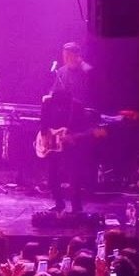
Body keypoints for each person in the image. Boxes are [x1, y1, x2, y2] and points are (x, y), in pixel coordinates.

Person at [39, 42, 95, 214]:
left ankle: (76, 207)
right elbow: (54, 93)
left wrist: (83, 64)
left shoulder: (86, 71)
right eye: (64, 55)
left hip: (76, 121)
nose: (66, 58)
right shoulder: (61, 72)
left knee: (74, 173)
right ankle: (59, 203)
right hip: (59, 125)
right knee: (53, 171)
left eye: (69, 55)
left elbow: (90, 94)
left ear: (77, 55)